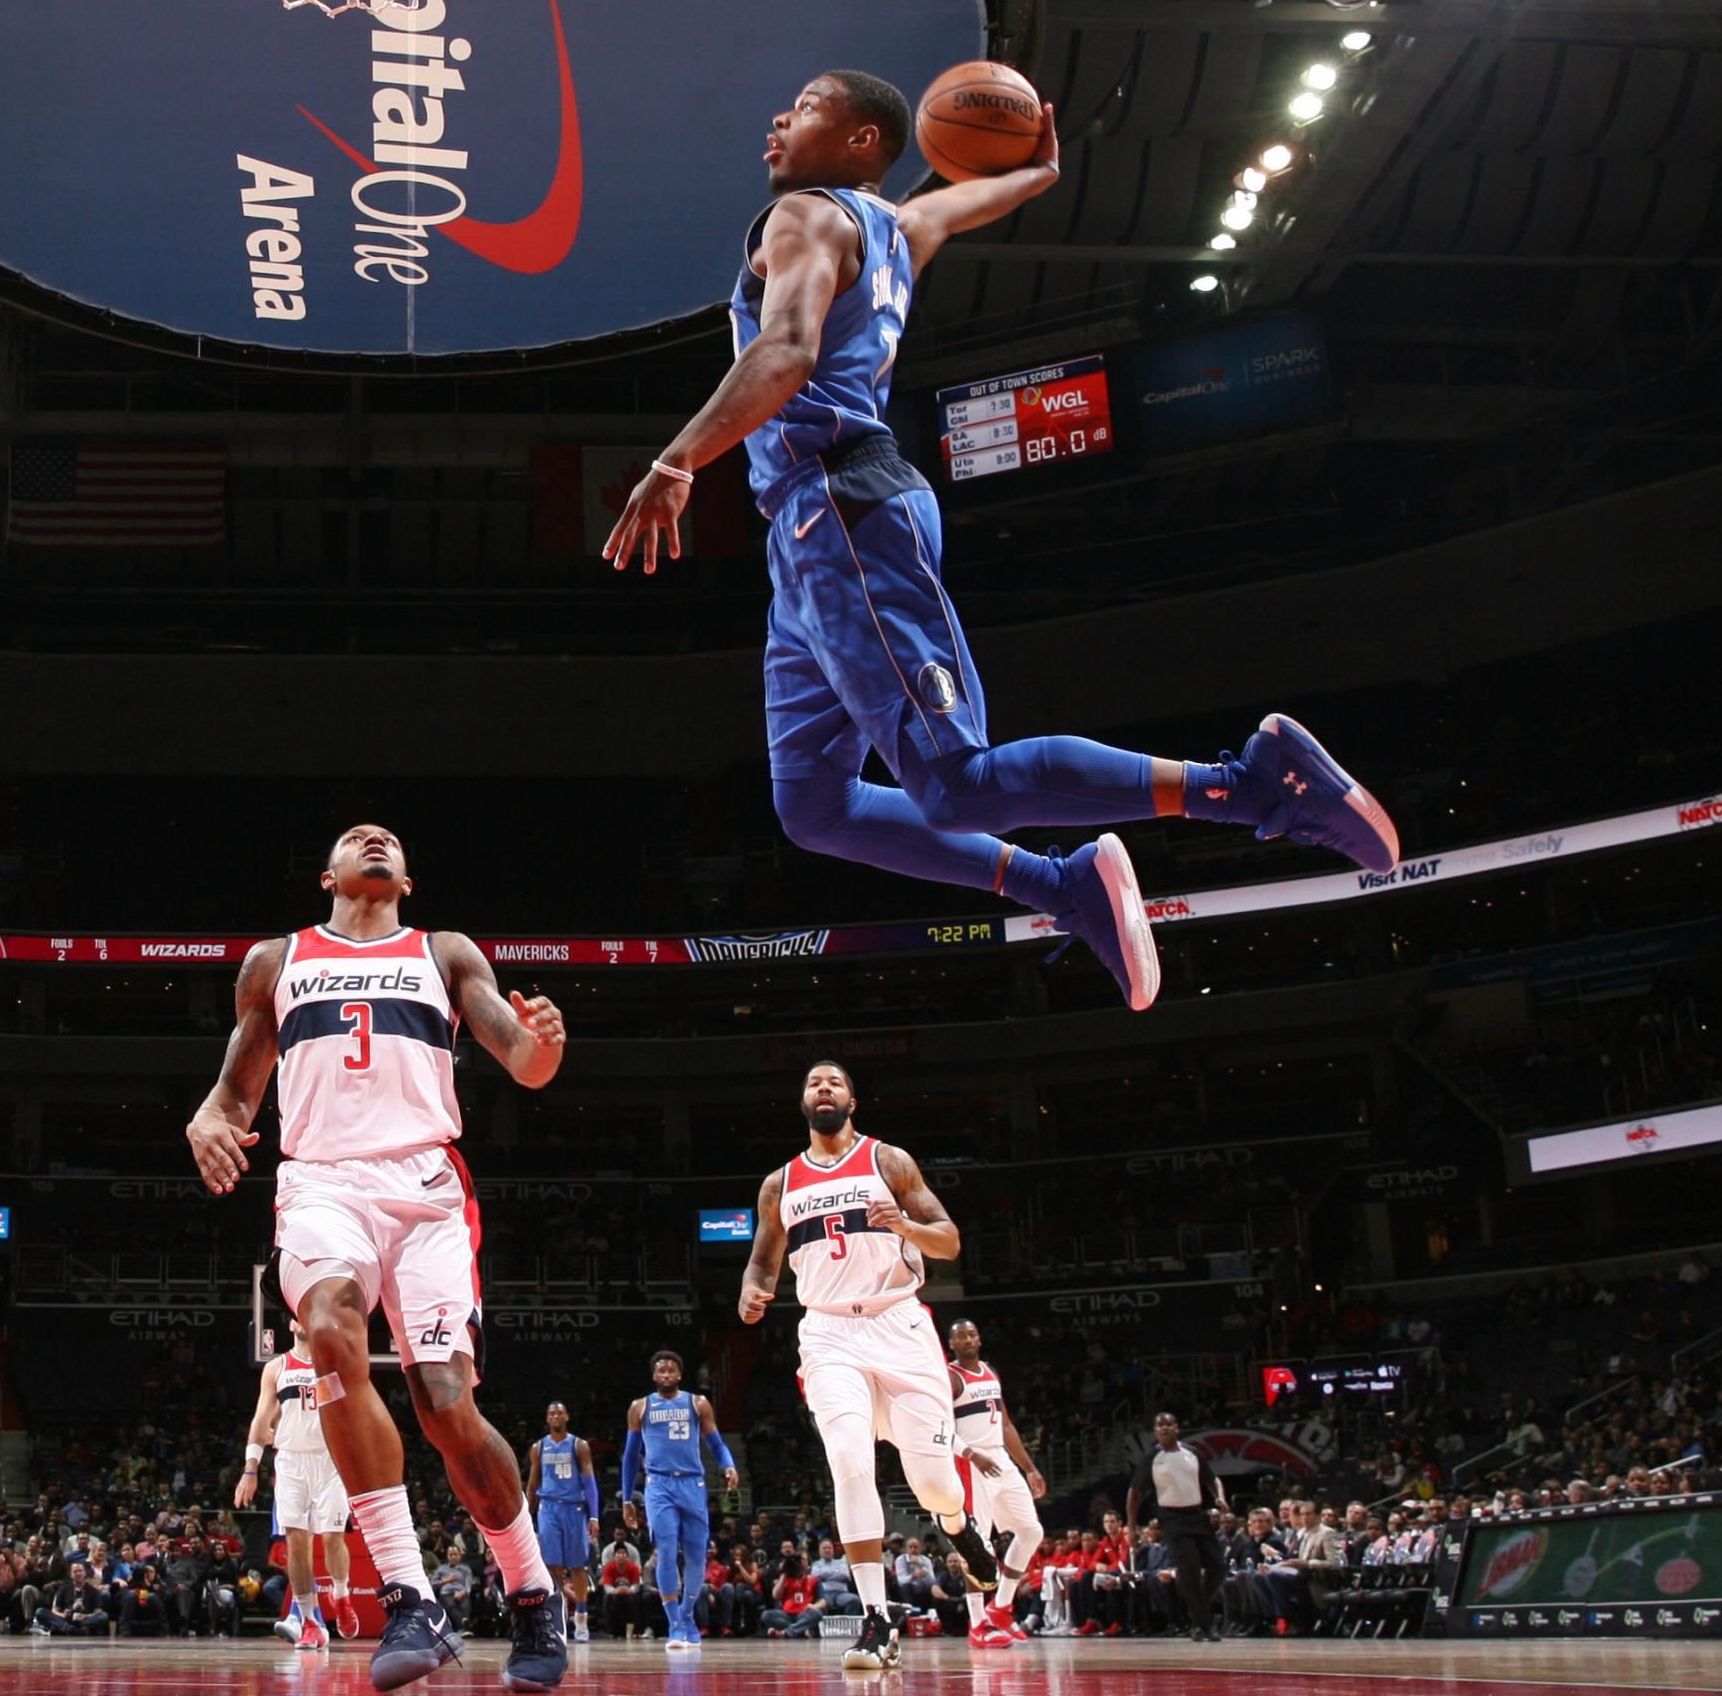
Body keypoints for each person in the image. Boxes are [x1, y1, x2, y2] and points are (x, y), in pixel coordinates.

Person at [600, 71, 1400, 1010]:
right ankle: (1058, 885)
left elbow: (786, 351)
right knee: (815, 808)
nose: (778, 117)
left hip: (842, 512)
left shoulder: (804, 219)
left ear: (862, 141)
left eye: (807, 105)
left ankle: (1250, 782)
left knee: (955, 786)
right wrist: (1037, 172)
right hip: (813, 535)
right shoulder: (895, 227)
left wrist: (678, 461)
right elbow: (957, 205)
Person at [183, 823, 570, 1693]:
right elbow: (237, 1090)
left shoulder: (445, 951)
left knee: (446, 1409)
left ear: (406, 877)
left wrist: (543, 1049)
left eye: (389, 839)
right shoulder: (277, 960)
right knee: (326, 1329)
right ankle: (411, 1595)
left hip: (427, 1187)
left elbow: (523, 1059)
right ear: (328, 874)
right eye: (358, 837)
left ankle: (533, 1594)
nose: (374, 839)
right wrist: (209, 1119)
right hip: (321, 1182)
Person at [739, 1062, 998, 1673]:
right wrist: (751, 1293)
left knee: (933, 1483)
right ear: (803, 1101)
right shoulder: (780, 1183)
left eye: (833, 1082)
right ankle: (877, 1622)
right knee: (850, 1463)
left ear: (852, 1100)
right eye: (812, 1083)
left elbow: (949, 1240)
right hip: (828, 1333)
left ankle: (957, 1526)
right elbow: (760, 1264)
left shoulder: (890, 1162)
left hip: (899, 1324)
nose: (822, 1088)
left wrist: (905, 1224)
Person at [237, 1316, 350, 1649]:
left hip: (329, 1461)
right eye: (298, 1314)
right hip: (290, 1461)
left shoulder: (331, 1365)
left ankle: (341, 1595)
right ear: (291, 1324)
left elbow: (344, 1415)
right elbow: (262, 1418)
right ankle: (310, 1622)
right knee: (296, 1542)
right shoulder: (277, 1367)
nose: (304, 1320)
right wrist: (250, 1468)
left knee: (331, 1538)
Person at [621, 1350, 736, 1651]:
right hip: (658, 1484)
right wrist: (626, 1498)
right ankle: (674, 1622)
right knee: (666, 1550)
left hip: (692, 1483)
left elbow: (716, 1442)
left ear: (680, 1374)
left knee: (697, 1556)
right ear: (654, 1375)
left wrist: (729, 1464)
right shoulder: (640, 1407)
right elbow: (631, 1456)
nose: (666, 1375)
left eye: (671, 1370)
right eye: (661, 1370)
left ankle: (687, 1617)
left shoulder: (697, 1403)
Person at [945, 1318, 1047, 1647]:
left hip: (999, 1458)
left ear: (980, 1338)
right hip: (970, 1463)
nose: (967, 1339)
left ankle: (1001, 1607)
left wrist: (1030, 1468)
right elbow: (938, 1428)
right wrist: (972, 1454)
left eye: (972, 1333)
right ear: (951, 1344)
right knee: (979, 1546)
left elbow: (1005, 1426)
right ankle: (977, 1625)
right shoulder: (949, 1377)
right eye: (960, 1336)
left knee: (1032, 1531)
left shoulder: (990, 1371)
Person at [1124, 1413, 1228, 1641]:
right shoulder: (1152, 1458)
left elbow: (1212, 1479)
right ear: (1155, 1431)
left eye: (1169, 1424)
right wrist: (1131, 1528)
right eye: (1160, 1425)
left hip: (1198, 1515)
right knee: (1189, 1570)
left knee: (1218, 1566)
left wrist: (1219, 1497)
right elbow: (1134, 1494)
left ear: (1177, 1428)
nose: (1165, 1429)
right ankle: (1205, 1625)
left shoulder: (1192, 1453)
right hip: (1171, 1519)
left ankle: (1197, 1607)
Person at [523, 1402, 600, 1640]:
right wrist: (526, 1514)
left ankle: (582, 1619)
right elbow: (533, 1483)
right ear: (547, 1419)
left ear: (567, 1417)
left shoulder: (579, 1445)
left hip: (574, 1509)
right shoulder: (539, 1448)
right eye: (551, 1414)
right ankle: (560, 1617)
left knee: (578, 1566)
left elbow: (589, 1483)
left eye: (559, 1413)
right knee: (553, 1566)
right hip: (549, 1509)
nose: (556, 1416)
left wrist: (594, 1515)